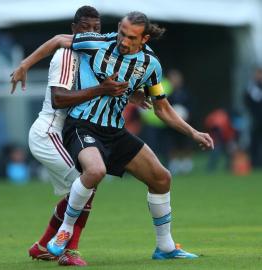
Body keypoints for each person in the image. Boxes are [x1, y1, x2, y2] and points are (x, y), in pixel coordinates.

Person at [11, 11, 214, 261]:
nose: (124, 41)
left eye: (131, 37)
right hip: (82, 125)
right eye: (122, 33)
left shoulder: (151, 65)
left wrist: (193, 132)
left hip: (114, 131)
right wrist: (24, 65)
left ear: (145, 38)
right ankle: (64, 233)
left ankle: (166, 246)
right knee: (94, 172)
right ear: (118, 27)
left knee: (161, 178)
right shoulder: (96, 43)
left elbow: (162, 107)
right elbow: (57, 40)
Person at [11, 6, 150, 266]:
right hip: (49, 132)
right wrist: (25, 64)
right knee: (88, 180)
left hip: (66, 131)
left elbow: (102, 88)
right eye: (86, 29)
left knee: (85, 185)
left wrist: (131, 95)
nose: (92, 34)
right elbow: (59, 98)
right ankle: (68, 250)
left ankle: (43, 245)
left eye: (96, 29)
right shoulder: (67, 55)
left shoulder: (93, 55)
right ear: (74, 30)